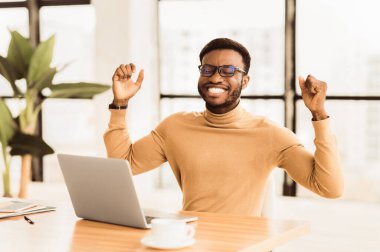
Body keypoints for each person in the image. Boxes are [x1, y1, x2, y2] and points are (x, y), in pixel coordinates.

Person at [104, 38, 343, 217]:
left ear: (245, 81)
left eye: (228, 71)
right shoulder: (175, 127)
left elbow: (329, 188)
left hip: (241, 244)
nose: (216, 78)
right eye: (207, 69)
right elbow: (122, 163)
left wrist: (319, 115)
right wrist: (120, 103)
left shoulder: (270, 134)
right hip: (189, 242)